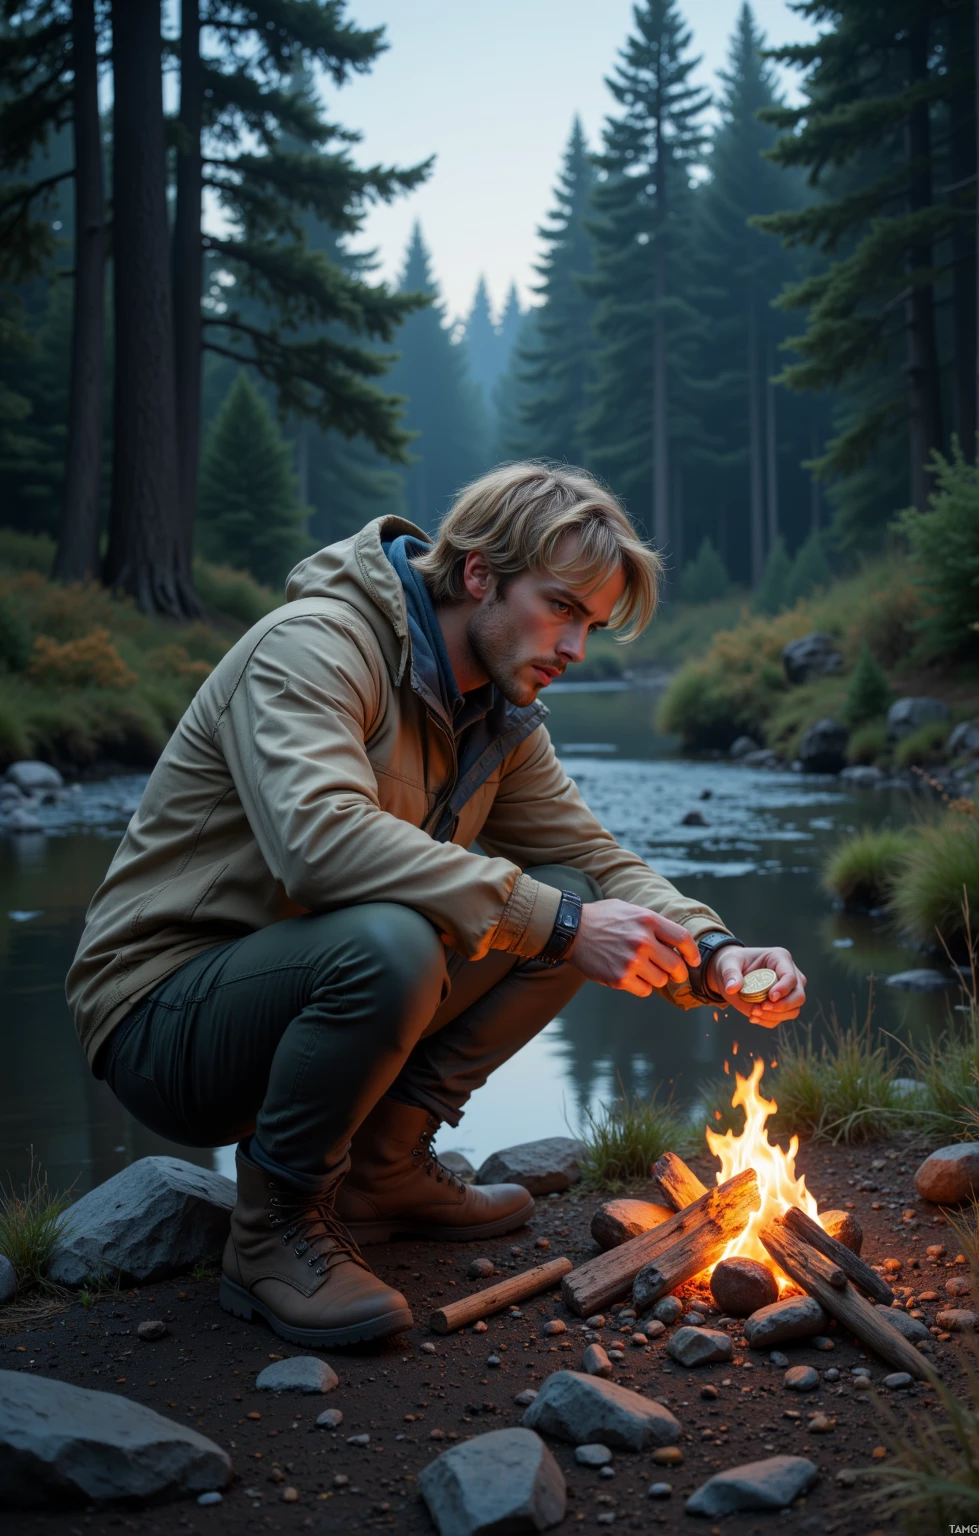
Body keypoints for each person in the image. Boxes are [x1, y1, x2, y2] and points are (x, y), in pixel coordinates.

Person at [67, 463, 806, 1349]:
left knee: (563, 897)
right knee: (424, 938)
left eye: (592, 625)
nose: (576, 648)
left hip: (298, 982)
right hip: (164, 1016)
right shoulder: (315, 645)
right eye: (563, 608)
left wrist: (716, 954)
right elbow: (318, 842)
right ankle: (270, 1230)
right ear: (478, 574)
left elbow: (592, 863)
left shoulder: (495, 715)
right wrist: (562, 925)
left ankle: (382, 1170)